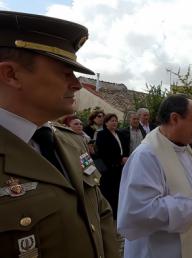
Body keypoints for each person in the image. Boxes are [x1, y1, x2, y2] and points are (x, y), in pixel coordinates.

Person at [0, 10, 119, 258]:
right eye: (65, 72)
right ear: (10, 75)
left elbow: (101, 213)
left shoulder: (70, 141)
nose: (76, 83)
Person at [117, 94, 192, 258]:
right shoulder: (146, 156)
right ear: (175, 118)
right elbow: (140, 210)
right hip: (161, 249)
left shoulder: (183, 148)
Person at [95, 113, 129, 219]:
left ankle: (119, 212)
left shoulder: (120, 133)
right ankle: (110, 214)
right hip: (109, 168)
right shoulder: (102, 134)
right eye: (112, 121)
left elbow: (125, 148)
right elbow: (103, 152)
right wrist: (119, 159)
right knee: (110, 192)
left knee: (119, 190)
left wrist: (125, 157)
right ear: (106, 122)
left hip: (120, 168)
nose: (114, 123)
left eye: (115, 120)